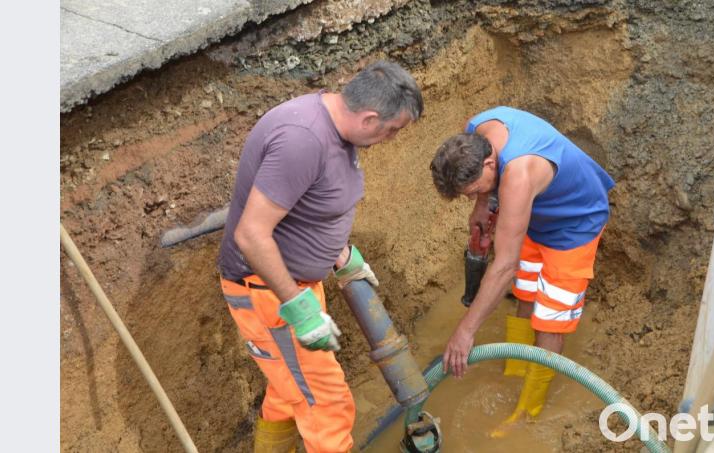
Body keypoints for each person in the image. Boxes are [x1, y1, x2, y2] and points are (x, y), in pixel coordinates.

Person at [217, 60, 423, 453]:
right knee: (326, 406)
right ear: (369, 118)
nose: (392, 139)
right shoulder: (303, 140)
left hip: (297, 288)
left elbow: (310, 208)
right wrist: (298, 306)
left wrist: (340, 254)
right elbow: (251, 233)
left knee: (288, 393)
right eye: (392, 130)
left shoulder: (335, 131)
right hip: (271, 295)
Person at [429, 106, 614, 437]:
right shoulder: (476, 127)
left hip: (575, 224)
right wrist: (482, 205)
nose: (473, 196)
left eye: (473, 191)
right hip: (535, 215)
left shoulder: (519, 173)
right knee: (526, 294)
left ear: (489, 164)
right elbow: (490, 193)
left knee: (550, 319)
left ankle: (528, 409)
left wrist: (465, 331)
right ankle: (514, 369)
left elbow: (504, 266)